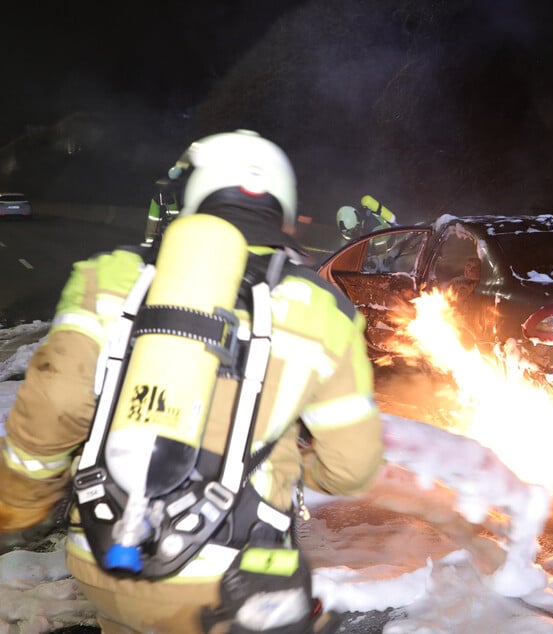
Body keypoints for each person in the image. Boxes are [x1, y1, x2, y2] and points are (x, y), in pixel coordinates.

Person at [0, 130, 385, 633]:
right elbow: (352, 467)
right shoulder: (323, 311)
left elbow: (55, 401)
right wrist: (287, 466)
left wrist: (21, 501)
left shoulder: (108, 276)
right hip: (230, 580)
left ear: (196, 195)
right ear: (284, 209)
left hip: (102, 553)